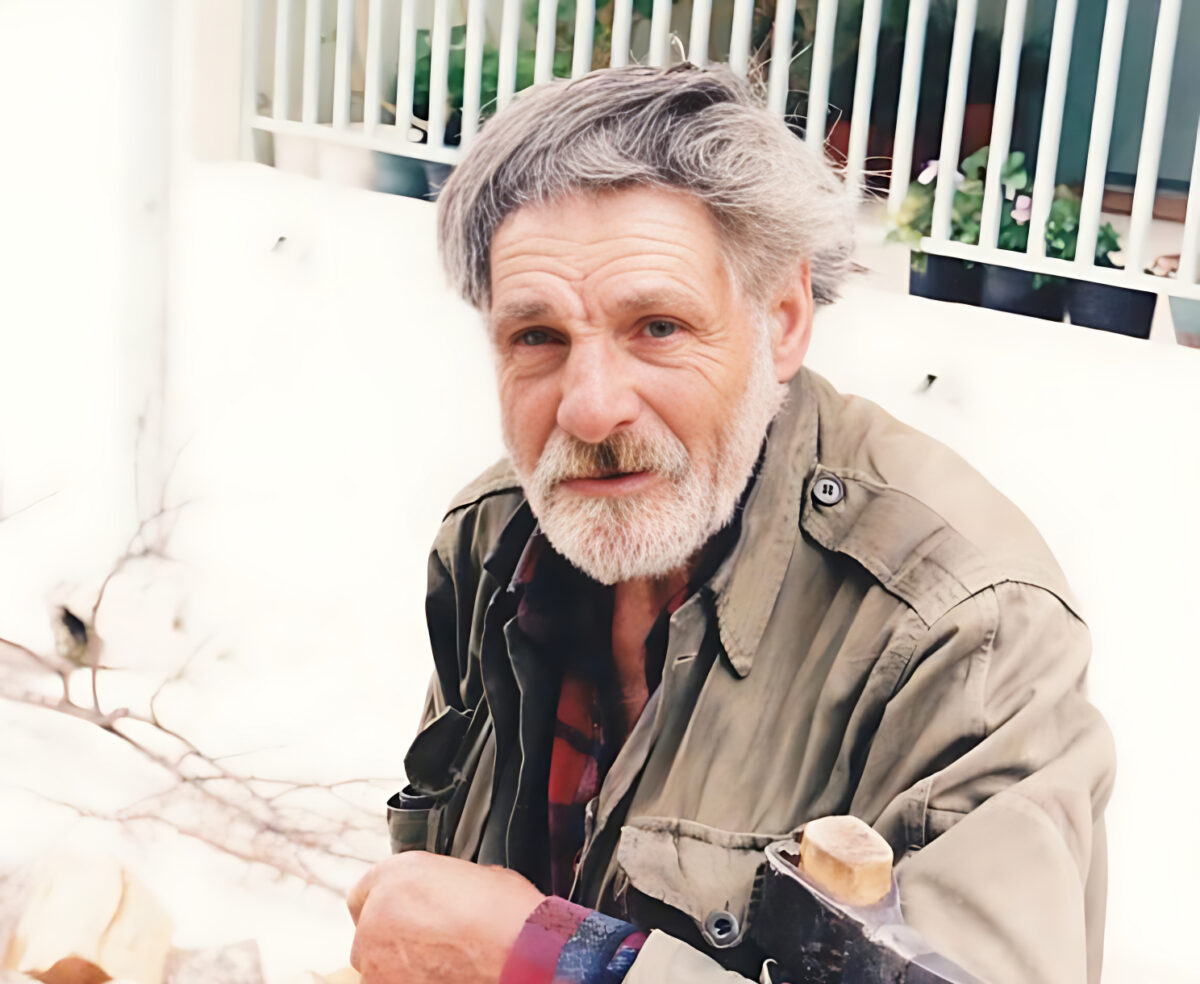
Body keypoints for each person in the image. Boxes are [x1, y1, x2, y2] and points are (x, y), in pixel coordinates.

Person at [347, 64, 1114, 984]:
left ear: (783, 320)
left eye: (658, 327)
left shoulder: (966, 626)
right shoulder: (496, 539)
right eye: (537, 338)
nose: (589, 408)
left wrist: (558, 961)